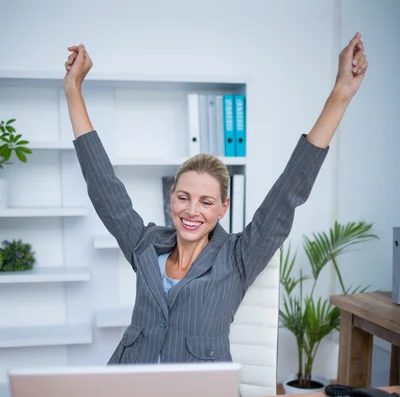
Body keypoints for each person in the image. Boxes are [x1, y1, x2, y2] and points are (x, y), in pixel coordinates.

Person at [63, 34, 368, 367]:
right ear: (171, 199)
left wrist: (341, 95)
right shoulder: (145, 244)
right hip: (127, 392)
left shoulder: (237, 258)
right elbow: (103, 185)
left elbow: (287, 194)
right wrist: (73, 90)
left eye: (206, 202)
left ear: (224, 207)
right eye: (184, 197)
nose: (192, 211)